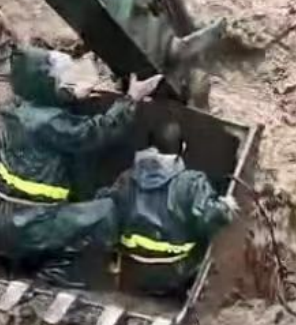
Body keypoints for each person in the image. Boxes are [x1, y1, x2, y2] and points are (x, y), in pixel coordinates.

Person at [0, 45, 162, 287]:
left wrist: (71, 96)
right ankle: (61, 271)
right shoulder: (50, 122)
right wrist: (131, 99)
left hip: (2, 221)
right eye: (57, 80)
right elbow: (95, 132)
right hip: (32, 225)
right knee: (108, 210)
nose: (61, 83)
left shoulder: (12, 109)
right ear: (43, 82)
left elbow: (40, 103)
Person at [102, 121, 238, 296]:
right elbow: (210, 217)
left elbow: (105, 212)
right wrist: (225, 207)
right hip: (176, 273)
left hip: (132, 270)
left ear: (149, 147)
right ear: (183, 147)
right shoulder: (192, 182)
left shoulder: (126, 179)